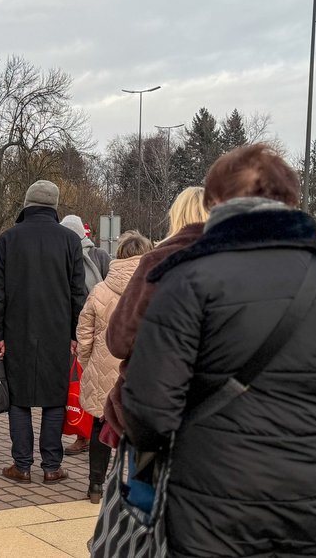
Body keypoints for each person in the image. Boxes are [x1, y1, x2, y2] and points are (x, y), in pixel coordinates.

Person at [120, 144, 316, 557]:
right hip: (309, 498)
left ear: (216, 203)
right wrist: (307, 438)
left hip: (209, 500)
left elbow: (149, 408)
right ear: (291, 201)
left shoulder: (187, 279)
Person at [0, 180, 87, 484]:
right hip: (57, 331)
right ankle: (52, 466)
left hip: (18, 329)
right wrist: (75, 334)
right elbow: (77, 294)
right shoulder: (70, 241)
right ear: (55, 207)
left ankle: (22, 465)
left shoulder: (8, 239)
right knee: (55, 399)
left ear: (27, 204)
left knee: (18, 398)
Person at [101, 186, 209, 448]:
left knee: (145, 484)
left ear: (176, 216)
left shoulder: (156, 262)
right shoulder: (236, 263)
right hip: (218, 413)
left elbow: (118, 341)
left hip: (155, 405)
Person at [76, 230, 153, 503]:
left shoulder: (99, 290)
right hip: (141, 372)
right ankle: (132, 485)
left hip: (102, 367)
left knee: (101, 423)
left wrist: (88, 364)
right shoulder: (156, 290)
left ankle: (95, 485)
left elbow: (84, 336)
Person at [60, 214, 112, 457]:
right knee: (82, 383)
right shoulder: (95, 255)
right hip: (82, 328)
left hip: (91, 326)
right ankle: (86, 432)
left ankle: (88, 434)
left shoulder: (96, 255)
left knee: (89, 382)